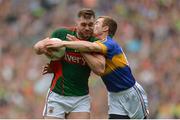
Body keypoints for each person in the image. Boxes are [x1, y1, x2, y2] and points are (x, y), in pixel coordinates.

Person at [43, 16, 149, 119]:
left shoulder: (109, 43)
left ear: (105, 28)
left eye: (97, 23)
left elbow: (89, 47)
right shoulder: (97, 43)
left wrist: (63, 43)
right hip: (114, 95)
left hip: (130, 92)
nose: (94, 25)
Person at [33, 9, 105, 119]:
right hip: (57, 96)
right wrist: (41, 47)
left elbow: (100, 69)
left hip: (81, 98)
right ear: (77, 23)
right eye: (83, 24)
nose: (87, 28)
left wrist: (79, 46)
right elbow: (38, 49)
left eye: (90, 24)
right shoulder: (61, 34)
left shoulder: (96, 43)